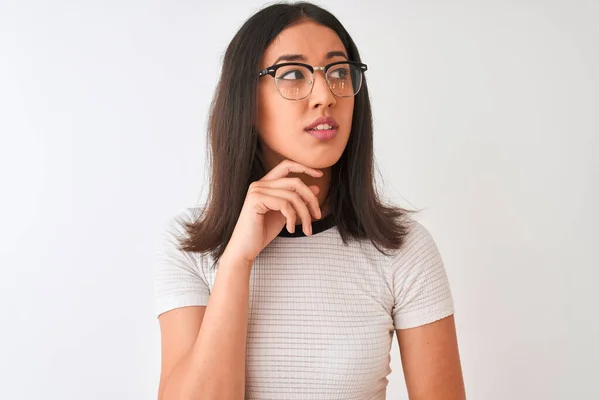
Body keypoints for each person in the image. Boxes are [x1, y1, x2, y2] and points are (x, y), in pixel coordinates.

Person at [154, 2, 466, 399]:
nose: (324, 96)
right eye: (293, 75)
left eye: (338, 72)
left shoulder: (403, 249)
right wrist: (236, 261)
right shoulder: (190, 247)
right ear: (246, 101)